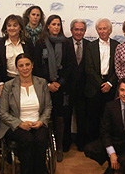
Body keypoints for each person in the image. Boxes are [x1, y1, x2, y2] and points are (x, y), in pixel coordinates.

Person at [0, 53, 52, 174]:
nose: (25, 68)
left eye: (27, 64)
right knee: (27, 140)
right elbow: (2, 112)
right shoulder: (9, 86)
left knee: (40, 140)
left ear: (32, 65)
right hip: (16, 125)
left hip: (38, 122)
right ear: (17, 68)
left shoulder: (42, 83)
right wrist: (19, 124)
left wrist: (41, 121)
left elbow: (48, 107)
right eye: (21, 65)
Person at [85, 77, 125, 174]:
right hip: (114, 141)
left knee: (124, 163)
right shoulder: (110, 106)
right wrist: (112, 154)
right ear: (118, 90)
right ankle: (113, 163)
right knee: (90, 149)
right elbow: (104, 132)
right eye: (122, 90)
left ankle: (116, 166)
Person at [33, 15, 68, 161]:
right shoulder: (40, 43)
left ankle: (59, 148)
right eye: (53, 24)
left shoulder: (66, 43)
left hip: (60, 88)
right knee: (43, 116)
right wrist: (47, 84)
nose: (56, 27)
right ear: (47, 26)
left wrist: (59, 83)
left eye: (58, 24)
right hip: (43, 87)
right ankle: (44, 146)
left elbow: (69, 66)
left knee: (59, 117)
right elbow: (36, 67)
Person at [85, 18, 119, 142]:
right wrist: (101, 84)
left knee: (109, 118)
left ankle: (107, 144)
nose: (102, 31)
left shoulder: (117, 45)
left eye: (105, 28)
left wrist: (109, 83)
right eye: (100, 28)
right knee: (93, 117)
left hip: (111, 86)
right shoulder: (90, 46)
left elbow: (119, 68)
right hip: (94, 87)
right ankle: (93, 144)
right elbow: (88, 68)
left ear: (110, 30)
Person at [0, 14, 34, 96]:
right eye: (9, 25)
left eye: (15, 25)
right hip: (6, 81)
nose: (12, 28)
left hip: (25, 81)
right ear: (5, 28)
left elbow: (33, 63)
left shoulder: (28, 43)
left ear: (20, 27)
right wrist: (0, 84)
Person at [65, 19, 90, 151]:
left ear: (85, 31)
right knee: (66, 116)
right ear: (71, 30)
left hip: (84, 88)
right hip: (67, 88)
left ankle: (81, 143)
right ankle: (66, 143)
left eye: (81, 30)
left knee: (82, 117)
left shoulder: (90, 45)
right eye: (76, 29)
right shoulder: (64, 43)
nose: (79, 32)